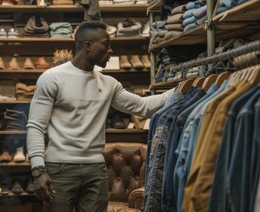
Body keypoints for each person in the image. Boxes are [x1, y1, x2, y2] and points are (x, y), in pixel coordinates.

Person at [27, 20, 174, 212]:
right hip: (59, 167)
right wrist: (38, 170)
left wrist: (179, 90)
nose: (111, 50)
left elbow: (143, 107)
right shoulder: (52, 78)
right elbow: (36, 126)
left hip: (95, 169)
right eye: (106, 44)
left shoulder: (109, 84)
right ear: (88, 46)